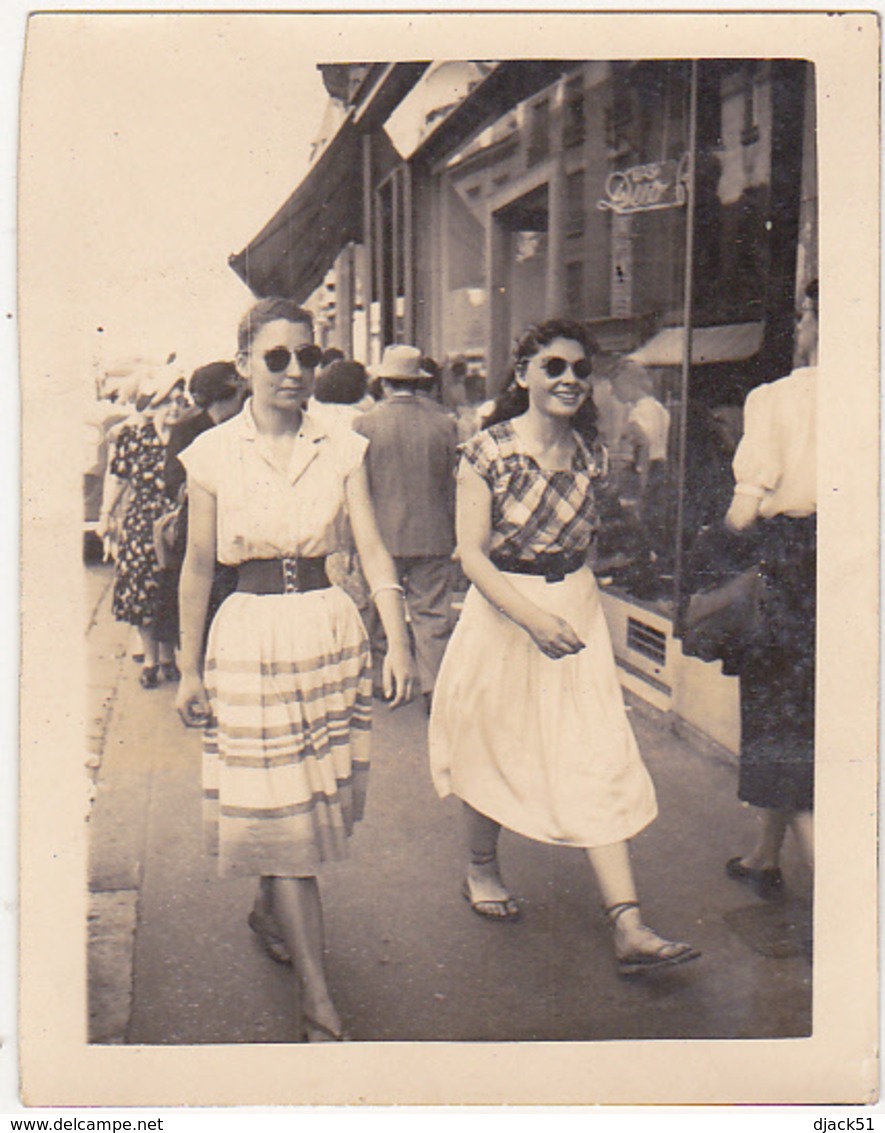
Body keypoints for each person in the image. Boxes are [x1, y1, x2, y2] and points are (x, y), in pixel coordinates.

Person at [174, 297, 416, 1042]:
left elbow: (371, 545)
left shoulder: (341, 442)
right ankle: (317, 998)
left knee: (296, 806)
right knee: (288, 824)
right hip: (247, 638)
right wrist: (189, 669)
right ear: (243, 360)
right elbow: (196, 565)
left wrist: (397, 637)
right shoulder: (211, 452)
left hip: (327, 631)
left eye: (306, 357)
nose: (293, 371)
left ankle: (265, 902)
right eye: (275, 357)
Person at [428, 317, 700, 977]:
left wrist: (587, 587)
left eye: (580, 368)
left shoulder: (590, 454)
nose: (569, 379)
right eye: (553, 366)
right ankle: (480, 867)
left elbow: (593, 537)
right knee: (495, 737)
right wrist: (529, 617)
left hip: (573, 608)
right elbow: (470, 554)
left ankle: (628, 922)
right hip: (504, 612)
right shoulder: (485, 451)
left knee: (595, 745)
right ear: (522, 374)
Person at [722, 279, 818, 900]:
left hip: (796, 575)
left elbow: (743, 513)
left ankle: (849, 918)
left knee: (786, 730)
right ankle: (763, 856)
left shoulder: (781, 399)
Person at [354, 344, 459, 714]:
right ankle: (435, 686)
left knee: (381, 609)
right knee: (433, 613)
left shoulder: (363, 425)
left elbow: (358, 488)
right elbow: (453, 482)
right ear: (420, 383)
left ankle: (387, 681)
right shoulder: (445, 423)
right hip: (433, 533)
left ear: (383, 383)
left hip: (380, 537)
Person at [98, 367, 189, 688]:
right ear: (155, 406)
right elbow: (119, 477)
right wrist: (106, 514)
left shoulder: (188, 438)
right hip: (141, 524)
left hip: (178, 525)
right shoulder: (134, 437)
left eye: (180, 400)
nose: (175, 407)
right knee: (141, 592)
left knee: (173, 590)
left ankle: (169, 658)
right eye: (168, 402)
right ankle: (151, 661)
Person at [155, 361, 247, 655]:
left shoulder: (244, 429)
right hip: (199, 529)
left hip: (237, 530)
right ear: (227, 392)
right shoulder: (187, 430)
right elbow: (173, 483)